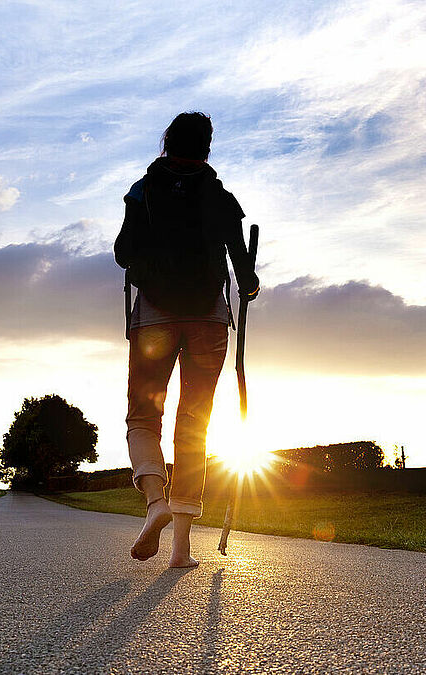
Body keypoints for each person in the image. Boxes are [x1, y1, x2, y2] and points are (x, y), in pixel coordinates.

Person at [114, 111, 259, 568]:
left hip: (154, 317)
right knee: (193, 423)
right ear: (207, 148)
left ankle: (155, 501)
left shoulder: (143, 190)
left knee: (143, 416)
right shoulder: (221, 196)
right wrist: (249, 285)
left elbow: (122, 254)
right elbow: (245, 273)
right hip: (209, 320)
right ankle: (181, 551)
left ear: (166, 142)